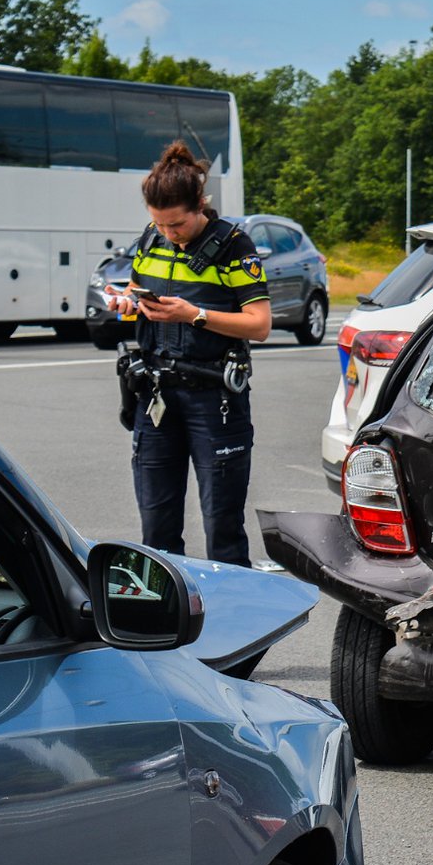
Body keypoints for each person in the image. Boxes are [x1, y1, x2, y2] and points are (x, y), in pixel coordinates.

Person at [105, 140, 271, 567]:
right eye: (159, 225)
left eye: (176, 225)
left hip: (213, 399)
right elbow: (137, 291)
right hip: (155, 392)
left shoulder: (234, 245)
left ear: (200, 206)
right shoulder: (152, 239)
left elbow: (260, 324)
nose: (168, 234)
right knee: (157, 524)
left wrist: (195, 315)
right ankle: (166, 620)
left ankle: (235, 622)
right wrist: (125, 302)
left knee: (222, 525)